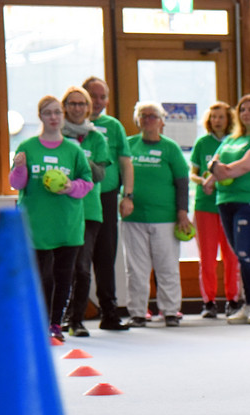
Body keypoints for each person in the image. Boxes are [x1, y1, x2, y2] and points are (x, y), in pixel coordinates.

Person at [9, 95, 93, 341]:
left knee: (63, 276)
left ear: (62, 115)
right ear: (40, 116)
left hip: (67, 223)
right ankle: (38, 322)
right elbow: (16, 183)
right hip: (36, 224)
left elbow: (87, 182)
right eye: (48, 113)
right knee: (40, 276)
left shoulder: (73, 149)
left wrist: (70, 187)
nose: (54, 117)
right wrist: (19, 167)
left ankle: (56, 324)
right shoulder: (27, 147)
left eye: (57, 112)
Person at [204, 94, 250, 324]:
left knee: (246, 253)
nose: (246, 113)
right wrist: (212, 174)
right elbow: (213, 163)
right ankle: (248, 305)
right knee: (239, 255)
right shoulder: (230, 139)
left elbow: (242, 166)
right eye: (242, 109)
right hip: (226, 200)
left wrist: (219, 171)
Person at [124, 101, 191, 327]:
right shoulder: (128, 145)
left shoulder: (170, 148)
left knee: (167, 266)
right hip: (133, 218)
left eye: (153, 116)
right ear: (138, 120)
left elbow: (182, 182)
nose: (148, 119)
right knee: (136, 269)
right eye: (143, 115)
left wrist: (183, 213)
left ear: (162, 121)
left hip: (166, 218)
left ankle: (171, 311)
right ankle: (137, 312)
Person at [82, 76, 134, 331]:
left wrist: (128, 195)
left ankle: (109, 312)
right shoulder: (70, 126)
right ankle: (72, 314)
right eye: (93, 96)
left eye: (103, 97)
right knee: (77, 257)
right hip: (77, 198)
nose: (98, 102)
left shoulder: (113, 126)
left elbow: (125, 162)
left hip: (107, 196)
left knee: (106, 255)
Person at [60, 86, 111, 336]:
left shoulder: (96, 138)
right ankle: (54, 318)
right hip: (60, 211)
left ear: (88, 108)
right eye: (72, 103)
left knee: (82, 267)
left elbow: (100, 173)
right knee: (58, 268)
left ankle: (76, 320)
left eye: (82, 104)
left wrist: (77, 155)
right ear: (65, 107)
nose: (77, 108)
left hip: (89, 212)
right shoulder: (55, 135)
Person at [189, 102, 241, 319]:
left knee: (232, 256)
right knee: (207, 256)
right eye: (213, 117)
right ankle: (208, 302)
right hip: (205, 206)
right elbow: (193, 173)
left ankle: (232, 300)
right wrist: (203, 181)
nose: (217, 120)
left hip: (229, 203)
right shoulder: (202, 143)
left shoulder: (234, 143)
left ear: (229, 119)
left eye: (221, 116)